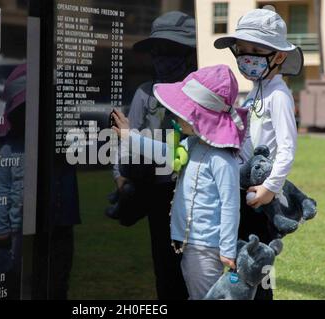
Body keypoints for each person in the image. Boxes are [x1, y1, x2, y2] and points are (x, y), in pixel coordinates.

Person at [112, 64, 249, 300]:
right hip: (190, 244)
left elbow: (230, 204)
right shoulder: (192, 145)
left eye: (184, 112)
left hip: (207, 248)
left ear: (202, 119)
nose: (176, 116)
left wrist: (227, 248)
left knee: (205, 295)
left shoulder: (222, 159)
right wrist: (129, 136)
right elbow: (164, 152)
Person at [214, 7, 303, 300]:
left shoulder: (278, 95)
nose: (246, 56)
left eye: (256, 49)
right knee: (241, 265)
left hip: (261, 199)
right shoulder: (254, 92)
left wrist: (270, 187)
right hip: (244, 192)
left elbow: (288, 147)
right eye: (242, 49)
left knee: (259, 268)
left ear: (278, 56)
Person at [112, 11, 197, 300]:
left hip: (194, 196)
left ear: (188, 54)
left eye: (171, 51)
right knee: (165, 271)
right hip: (158, 195)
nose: (163, 59)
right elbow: (125, 140)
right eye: (157, 51)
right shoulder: (145, 94)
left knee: (195, 273)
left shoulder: (201, 94)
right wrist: (121, 180)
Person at [0, 64, 27, 300]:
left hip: (39, 233)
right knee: (9, 285)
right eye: (21, 111)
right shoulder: (8, 151)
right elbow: (2, 190)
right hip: (12, 234)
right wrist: (0, 230)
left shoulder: (48, 149)